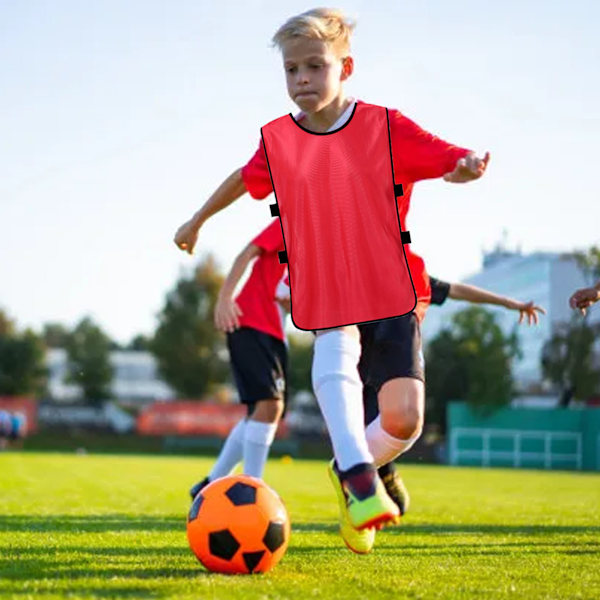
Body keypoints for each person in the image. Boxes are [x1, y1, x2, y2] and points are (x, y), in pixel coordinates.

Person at [174, 8, 489, 533]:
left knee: (405, 420)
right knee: (334, 346)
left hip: (393, 287)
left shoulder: (385, 127)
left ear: (346, 66)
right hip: (327, 287)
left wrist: (466, 166)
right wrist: (197, 219)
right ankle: (360, 477)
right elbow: (243, 178)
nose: (301, 79)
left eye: (314, 67)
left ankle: (351, 466)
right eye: (291, 69)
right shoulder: (279, 142)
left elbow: (447, 159)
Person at [189, 220, 289, 499]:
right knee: (269, 405)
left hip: (275, 335)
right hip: (249, 322)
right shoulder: (294, 220)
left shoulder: (324, 249)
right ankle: (252, 489)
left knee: (262, 410)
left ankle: (210, 484)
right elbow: (247, 253)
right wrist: (224, 298)